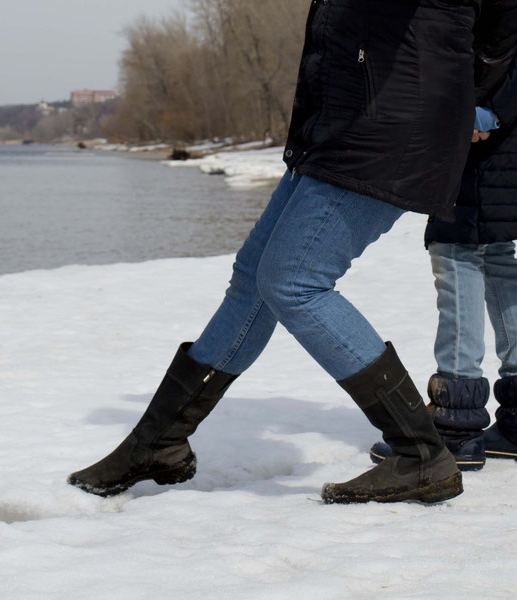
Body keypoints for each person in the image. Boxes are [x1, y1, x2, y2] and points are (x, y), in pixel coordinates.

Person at [68, 0, 511, 504]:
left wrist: (475, 97)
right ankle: (158, 443)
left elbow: (501, 24)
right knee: (253, 278)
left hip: (393, 124)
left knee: (294, 281)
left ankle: (420, 454)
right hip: (343, 120)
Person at [370, 17, 517, 471]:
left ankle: (455, 427)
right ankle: (513, 423)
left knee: (456, 261)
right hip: (499, 148)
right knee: (497, 262)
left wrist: (486, 113)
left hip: (479, 145)